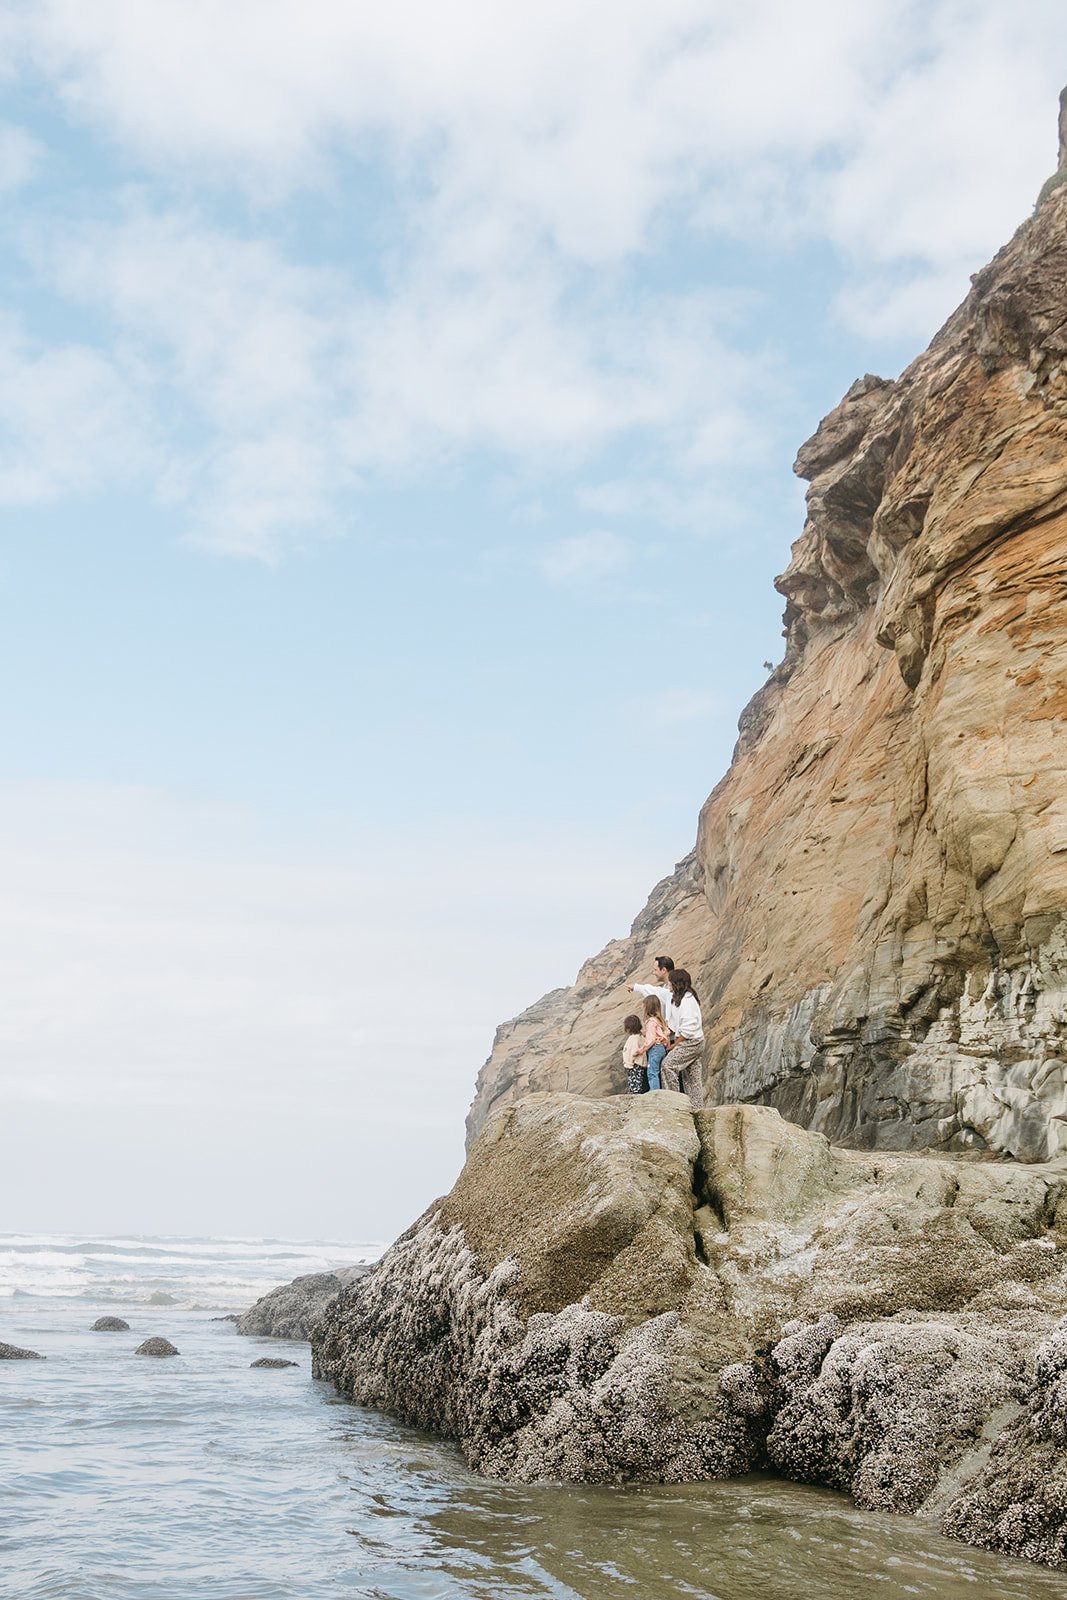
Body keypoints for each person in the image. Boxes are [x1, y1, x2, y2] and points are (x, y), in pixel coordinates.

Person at [661, 969, 704, 1108]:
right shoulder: (678, 999)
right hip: (693, 1041)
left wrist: (675, 1045)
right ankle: (697, 1109)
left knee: (668, 1065)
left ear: (676, 983)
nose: (668, 983)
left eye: (670, 981)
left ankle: (675, 1102)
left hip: (692, 1042)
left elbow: (688, 1028)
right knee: (692, 1078)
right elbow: (674, 1024)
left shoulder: (687, 1001)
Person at [628, 955, 678, 1033]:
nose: (653, 973)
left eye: (655, 970)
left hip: (676, 1035)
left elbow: (657, 992)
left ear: (664, 970)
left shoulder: (673, 989)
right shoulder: (666, 987)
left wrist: (636, 987)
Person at [640, 995, 670, 1090]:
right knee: (658, 1071)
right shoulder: (659, 1021)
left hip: (654, 1049)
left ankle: (655, 1092)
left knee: (652, 1072)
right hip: (661, 1049)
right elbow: (661, 1033)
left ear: (647, 1008)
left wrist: (642, 1049)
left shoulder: (651, 1022)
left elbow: (651, 1039)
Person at [622, 1014, 647, 1094]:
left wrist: (628, 1064)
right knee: (639, 1081)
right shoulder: (640, 1036)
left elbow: (632, 1052)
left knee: (634, 1083)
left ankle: (635, 1096)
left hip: (634, 1065)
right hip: (639, 1064)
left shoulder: (633, 1038)